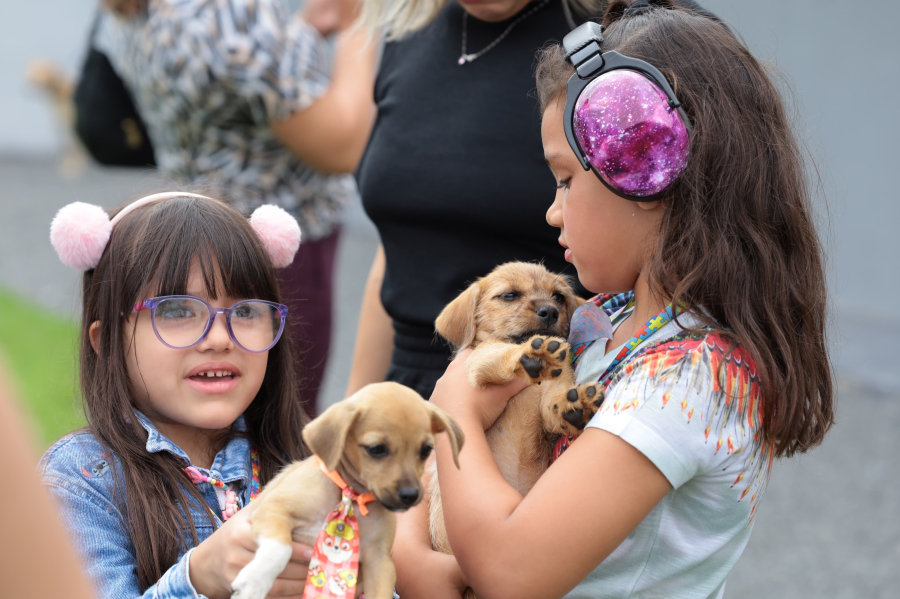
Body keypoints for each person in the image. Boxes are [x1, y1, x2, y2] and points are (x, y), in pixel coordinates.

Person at [393, 1, 835, 597]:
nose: (552, 213)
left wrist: (457, 414)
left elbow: (511, 572)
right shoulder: (607, 321)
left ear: (645, 167)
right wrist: (410, 553)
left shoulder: (688, 381)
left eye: (565, 180)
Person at [99, 0, 379, 415]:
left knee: (197, 419)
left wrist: (296, 37)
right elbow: (342, 146)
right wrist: (359, 21)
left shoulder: (161, 11)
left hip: (191, 241)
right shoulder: (236, 16)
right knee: (278, 424)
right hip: (268, 260)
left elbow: (227, 85)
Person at [40, 192, 314, 598]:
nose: (219, 338)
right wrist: (197, 579)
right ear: (108, 341)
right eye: (176, 310)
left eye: (244, 311)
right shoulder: (81, 480)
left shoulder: (307, 459)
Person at [346, 0, 604, 401]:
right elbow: (400, 249)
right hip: (409, 385)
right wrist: (357, 402)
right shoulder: (411, 25)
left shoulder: (624, 34)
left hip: (552, 387)